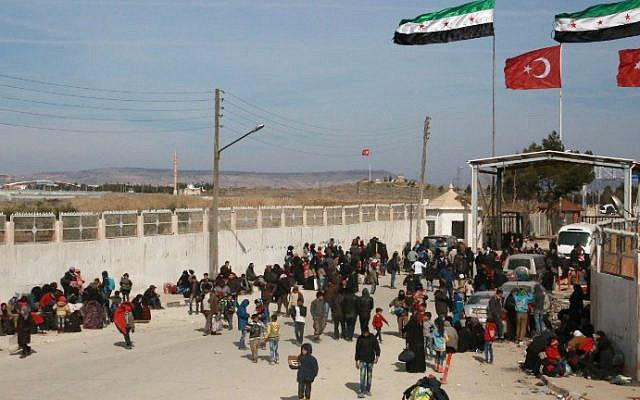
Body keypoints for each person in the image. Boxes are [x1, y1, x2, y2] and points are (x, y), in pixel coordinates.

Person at [355, 326, 380, 398]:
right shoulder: (360, 338)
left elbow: (377, 348)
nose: (364, 334)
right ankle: (362, 391)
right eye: (363, 333)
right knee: (362, 376)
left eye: (365, 333)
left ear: (368, 332)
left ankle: (368, 390)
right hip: (362, 360)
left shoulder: (372, 338)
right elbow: (357, 350)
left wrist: (377, 357)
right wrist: (356, 361)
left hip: (370, 360)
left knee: (369, 376)